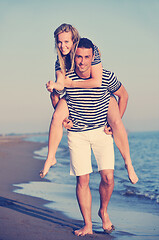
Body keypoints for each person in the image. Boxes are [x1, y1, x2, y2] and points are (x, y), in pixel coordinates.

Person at [40, 23, 138, 185]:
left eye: (66, 42)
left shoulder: (92, 51)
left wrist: (70, 84)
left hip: (101, 93)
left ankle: (128, 162)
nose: (62, 46)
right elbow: (60, 84)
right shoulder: (61, 61)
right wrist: (54, 85)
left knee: (115, 121)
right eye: (59, 42)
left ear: (75, 41)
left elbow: (97, 81)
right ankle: (51, 157)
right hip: (76, 114)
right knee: (57, 116)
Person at [51, 38, 128, 236]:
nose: (82, 61)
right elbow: (56, 98)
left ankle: (103, 211)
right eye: (79, 57)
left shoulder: (106, 76)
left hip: (101, 133)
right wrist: (63, 120)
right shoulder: (67, 76)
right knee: (83, 180)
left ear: (93, 58)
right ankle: (87, 224)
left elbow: (124, 96)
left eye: (87, 57)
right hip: (77, 134)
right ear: (74, 57)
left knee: (108, 178)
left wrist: (114, 122)